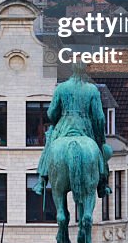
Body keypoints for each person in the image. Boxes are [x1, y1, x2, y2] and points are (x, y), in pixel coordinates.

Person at [32, 65, 112, 198]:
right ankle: (103, 184)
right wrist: (100, 137)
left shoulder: (61, 88)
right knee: (99, 150)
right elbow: (99, 117)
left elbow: (51, 113)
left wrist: (60, 117)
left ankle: (42, 180)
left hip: (63, 126)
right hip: (85, 128)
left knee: (49, 147)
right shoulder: (92, 90)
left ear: (72, 70)